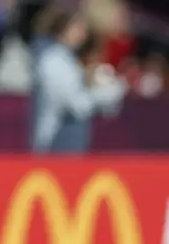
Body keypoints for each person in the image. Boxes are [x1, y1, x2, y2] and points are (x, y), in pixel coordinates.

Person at [30, 11, 124, 153]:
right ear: (63, 29)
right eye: (78, 28)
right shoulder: (53, 61)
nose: (83, 34)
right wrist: (111, 91)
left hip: (70, 140)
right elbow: (77, 105)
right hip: (55, 141)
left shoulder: (70, 61)